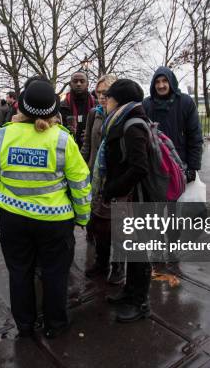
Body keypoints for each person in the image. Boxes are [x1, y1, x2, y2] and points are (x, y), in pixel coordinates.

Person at [0, 79, 91, 339]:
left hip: (13, 219)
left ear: (21, 106)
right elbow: (80, 183)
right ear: (53, 110)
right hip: (55, 222)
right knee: (55, 275)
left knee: (19, 273)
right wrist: (83, 216)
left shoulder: (0, 137)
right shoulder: (62, 140)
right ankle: (56, 324)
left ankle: (25, 326)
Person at [94, 79, 152, 323]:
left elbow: (140, 167)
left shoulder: (132, 125)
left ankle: (140, 302)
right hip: (127, 196)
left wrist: (111, 189)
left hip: (137, 197)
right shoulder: (121, 121)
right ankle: (130, 293)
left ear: (119, 100)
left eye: (109, 97)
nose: (105, 101)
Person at [81, 74, 125, 285]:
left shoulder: (122, 115)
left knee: (118, 225)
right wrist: (83, 168)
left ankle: (118, 266)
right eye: (98, 92)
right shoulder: (94, 114)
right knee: (99, 223)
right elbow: (88, 144)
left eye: (105, 93)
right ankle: (101, 263)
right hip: (95, 176)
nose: (100, 97)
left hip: (117, 178)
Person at [142, 66, 202, 184]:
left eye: (165, 81)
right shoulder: (146, 104)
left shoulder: (185, 102)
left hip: (180, 161)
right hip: (155, 164)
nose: (161, 85)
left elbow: (195, 136)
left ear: (171, 82)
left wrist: (193, 167)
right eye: (157, 82)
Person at [60, 71, 96, 146]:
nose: (78, 84)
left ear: (87, 84)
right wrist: (66, 130)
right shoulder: (61, 106)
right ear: (70, 84)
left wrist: (91, 132)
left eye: (82, 81)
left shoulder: (97, 105)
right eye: (75, 81)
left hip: (90, 147)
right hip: (68, 145)